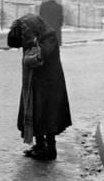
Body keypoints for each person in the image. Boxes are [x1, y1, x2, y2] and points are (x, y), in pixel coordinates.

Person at [7, 13, 72, 161]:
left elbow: (37, 58)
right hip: (33, 83)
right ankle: (40, 145)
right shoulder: (31, 33)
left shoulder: (49, 38)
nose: (24, 42)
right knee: (34, 113)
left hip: (49, 84)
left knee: (47, 116)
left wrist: (29, 52)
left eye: (25, 37)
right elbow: (13, 42)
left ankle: (50, 150)